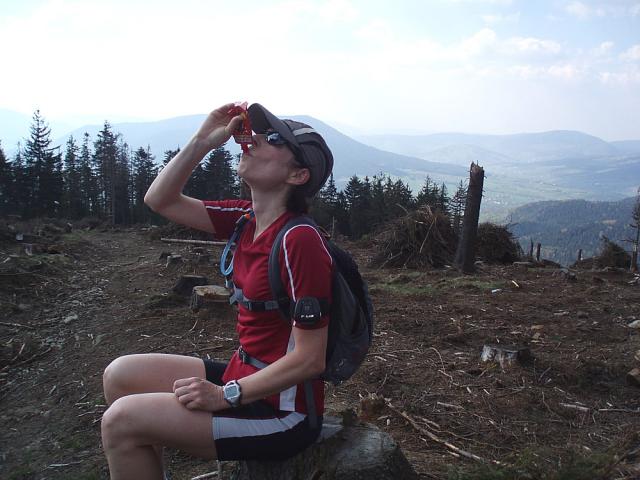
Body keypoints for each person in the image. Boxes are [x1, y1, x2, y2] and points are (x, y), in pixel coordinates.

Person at [100, 102, 335, 479]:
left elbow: (310, 360)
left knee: (121, 422)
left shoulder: (299, 240)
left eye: (274, 139)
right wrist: (203, 141)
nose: (253, 140)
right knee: (120, 375)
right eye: (259, 134)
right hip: (243, 377)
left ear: (298, 174)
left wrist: (226, 394)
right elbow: (159, 200)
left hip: (283, 412)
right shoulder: (245, 220)